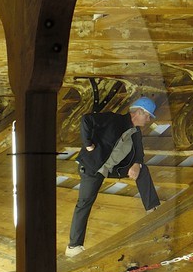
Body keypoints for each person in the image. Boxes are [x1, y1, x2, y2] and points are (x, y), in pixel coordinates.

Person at [65, 96, 161, 257]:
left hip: (113, 168)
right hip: (93, 167)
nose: (149, 119)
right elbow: (86, 119)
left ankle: (153, 209)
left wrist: (137, 164)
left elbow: (139, 152)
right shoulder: (113, 119)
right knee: (84, 203)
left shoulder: (135, 132)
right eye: (148, 115)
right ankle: (74, 246)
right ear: (138, 112)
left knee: (143, 170)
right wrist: (88, 144)